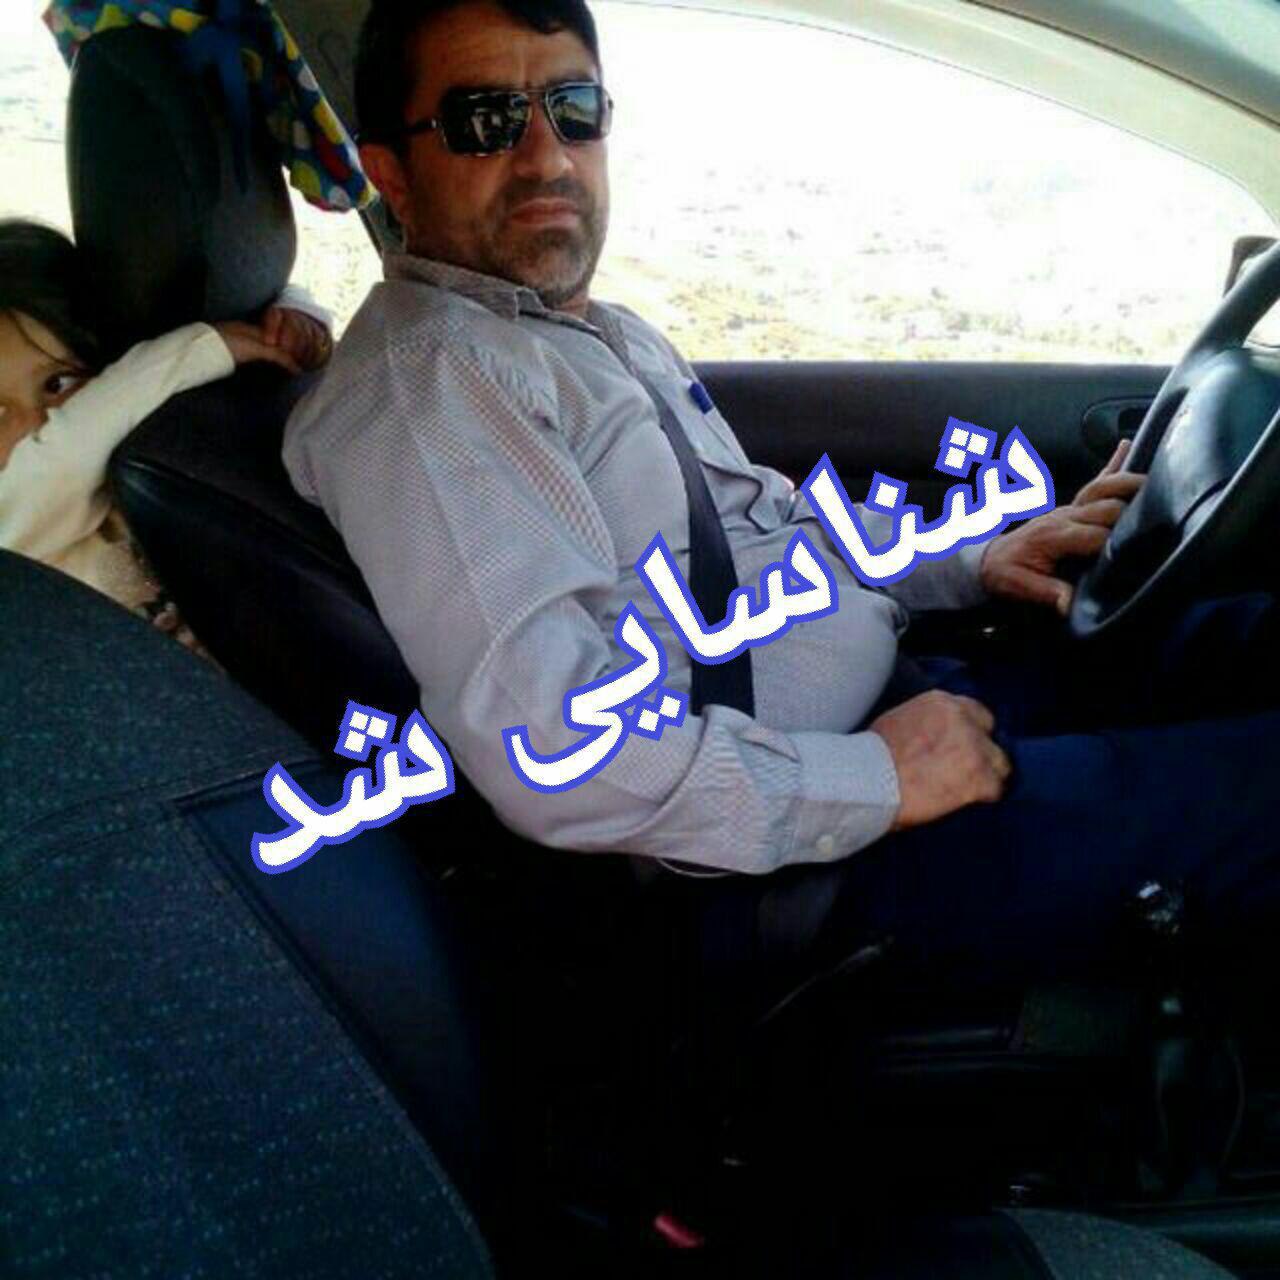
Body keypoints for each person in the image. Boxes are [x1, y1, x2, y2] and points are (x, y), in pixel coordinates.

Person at [283, 0, 1280, 1004]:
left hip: (869, 733)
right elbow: (555, 749)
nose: (547, 156)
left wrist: (968, 558)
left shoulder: (588, 335)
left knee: (1241, 639)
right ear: (390, 174)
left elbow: (760, 528)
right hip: (796, 866)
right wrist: (875, 781)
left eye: (573, 108)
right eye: (485, 121)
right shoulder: (428, 389)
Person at [0, 219, 332, 651]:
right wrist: (198, 351)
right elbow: (56, 460)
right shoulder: (16, 525)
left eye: (58, 384)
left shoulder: (163, 456)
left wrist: (294, 319)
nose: (37, 426)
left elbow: (245, 301)